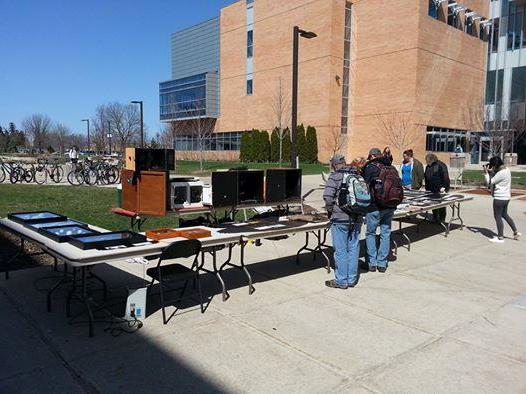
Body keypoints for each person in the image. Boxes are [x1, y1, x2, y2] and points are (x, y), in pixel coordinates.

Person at [323, 154, 363, 289]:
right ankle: (352, 279)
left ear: (334, 165)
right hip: (356, 217)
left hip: (340, 218)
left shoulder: (335, 177)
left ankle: (341, 281)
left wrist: (330, 210)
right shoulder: (357, 175)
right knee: (353, 248)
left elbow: (328, 198)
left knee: (340, 250)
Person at [363, 148, 396, 273]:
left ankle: (372, 262)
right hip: (390, 205)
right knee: (385, 233)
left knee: (370, 233)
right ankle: (382, 263)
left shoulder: (371, 167)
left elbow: (364, 186)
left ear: (372, 155)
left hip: (375, 206)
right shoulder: (391, 167)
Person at [484, 156, 521, 243]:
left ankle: (500, 237)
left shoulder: (500, 173)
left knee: (497, 217)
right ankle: (515, 232)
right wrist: (492, 171)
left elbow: (489, 183)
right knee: (504, 214)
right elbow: (497, 174)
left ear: (495, 165)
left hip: (499, 198)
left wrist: (486, 173)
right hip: (506, 197)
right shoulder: (506, 170)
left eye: (492, 166)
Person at [424, 153, 450, 222]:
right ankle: (435, 217)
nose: (426, 162)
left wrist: (444, 186)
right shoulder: (428, 166)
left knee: (441, 204)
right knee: (433, 204)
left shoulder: (440, 165)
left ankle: (442, 218)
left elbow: (445, 176)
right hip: (431, 189)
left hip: (440, 188)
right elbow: (426, 177)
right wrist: (426, 187)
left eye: (427, 161)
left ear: (432, 160)